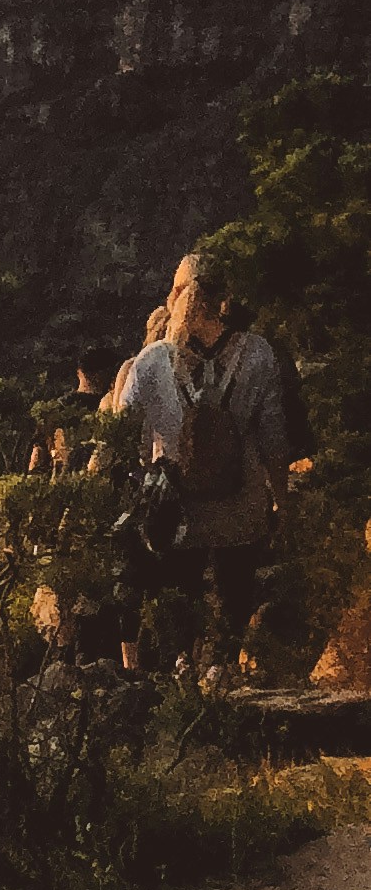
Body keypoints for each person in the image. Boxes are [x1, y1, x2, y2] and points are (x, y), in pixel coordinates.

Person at [102, 249, 311, 686]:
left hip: (177, 511)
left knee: (181, 594)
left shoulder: (151, 362)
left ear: (174, 296)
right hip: (241, 506)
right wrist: (283, 500)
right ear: (226, 297)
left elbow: (123, 441)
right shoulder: (258, 355)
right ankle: (222, 669)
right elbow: (274, 438)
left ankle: (181, 669)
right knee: (234, 589)